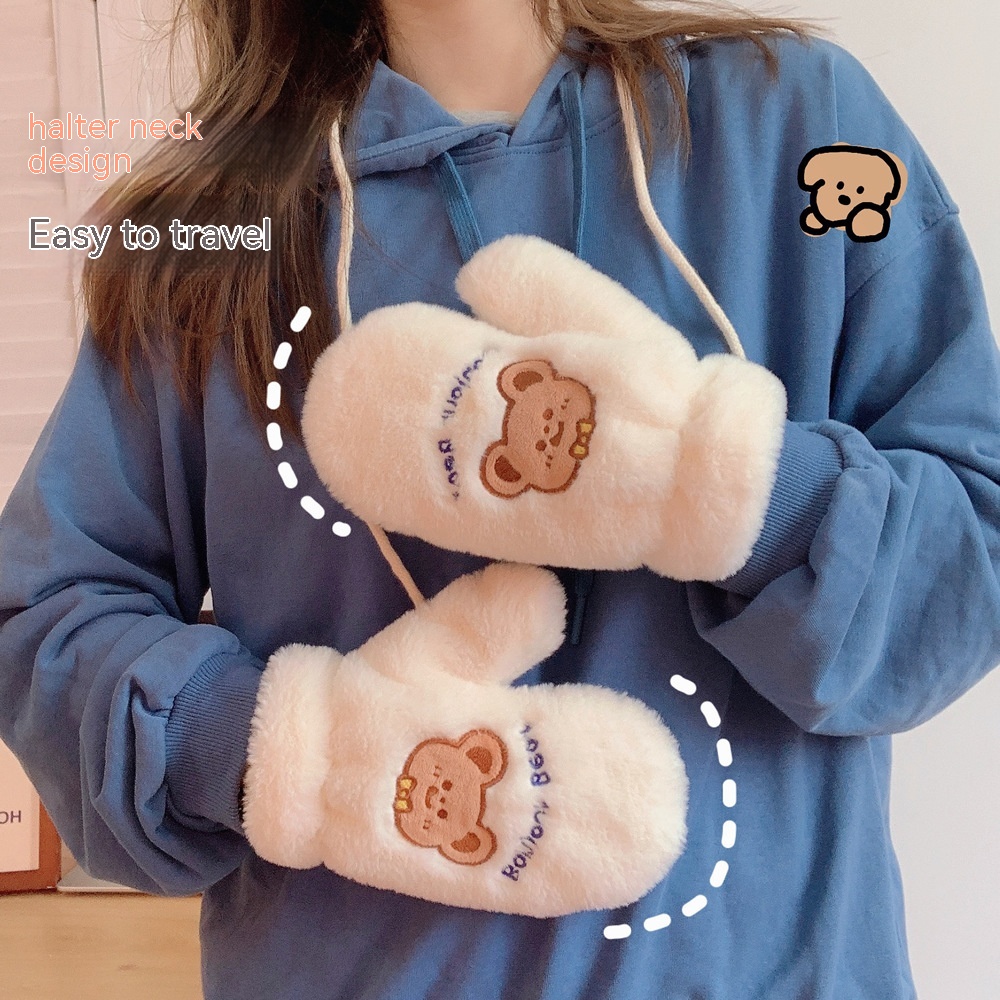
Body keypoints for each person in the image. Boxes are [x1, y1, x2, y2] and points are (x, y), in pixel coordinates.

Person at [1, 1, 998, 997]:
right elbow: (43, 611)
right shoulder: (204, 234)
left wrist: (728, 484)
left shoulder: (801, 126)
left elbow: (969, 556)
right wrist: (291, 752)